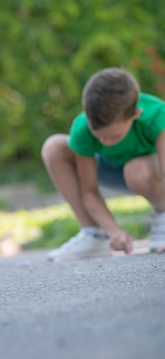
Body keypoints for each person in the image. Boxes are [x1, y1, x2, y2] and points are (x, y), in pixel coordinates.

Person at [42, 67, 165, 262]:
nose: (105, 141)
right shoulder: (83, 127)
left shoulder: (156, 115)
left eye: (113, 135)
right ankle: (94, 234)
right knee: (54, 147)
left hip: (150, 174)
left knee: (136, 170)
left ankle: (162, 215)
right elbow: (88, 191)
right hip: (113, 170)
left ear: (135, 114)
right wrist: (113, 230)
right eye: (98, 135)